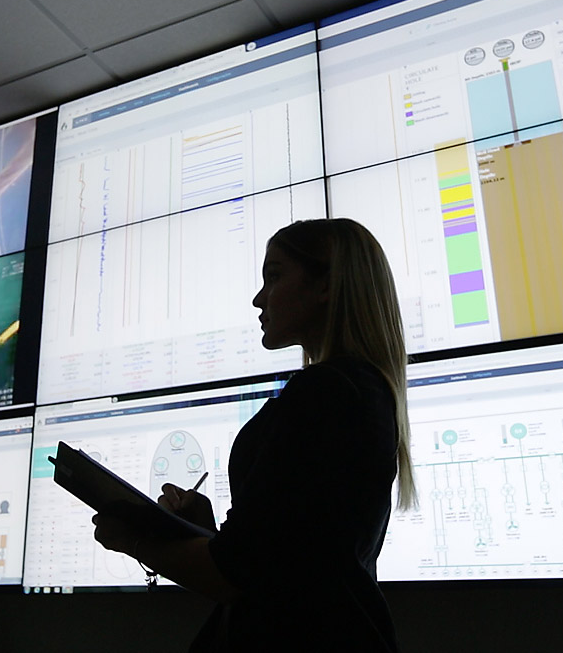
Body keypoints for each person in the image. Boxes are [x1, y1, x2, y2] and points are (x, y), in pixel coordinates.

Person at [93, 217, 417, 652]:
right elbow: (282, 567)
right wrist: (207, 537)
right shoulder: (360, 394)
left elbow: (242, 577)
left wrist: (136, 539)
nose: (259, 298)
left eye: (276, 275)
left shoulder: (327, 394)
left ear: (327, 285)